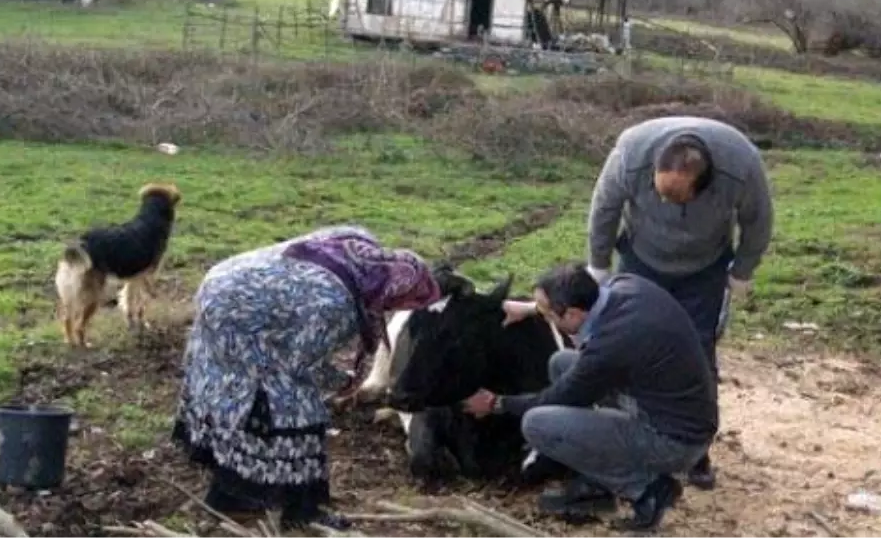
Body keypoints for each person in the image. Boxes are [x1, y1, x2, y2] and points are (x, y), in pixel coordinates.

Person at [171, 225, 441, 529]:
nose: (394, 308)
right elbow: (298, 363)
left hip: (223, 281)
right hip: (239, 313)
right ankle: (278, 507)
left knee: (234, 390)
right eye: (400, 301)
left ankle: (247, 495)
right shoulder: (335, 307)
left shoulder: (359, 244)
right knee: (292, 411)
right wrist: (342, 381)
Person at [586, 115, 773, 488]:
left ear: (705, 186)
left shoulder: (741, 165)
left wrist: (742, 270)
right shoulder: (630, 154)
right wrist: (598, 265)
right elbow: (605, 208)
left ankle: (695, 449)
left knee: (697, 355)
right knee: (624, 345)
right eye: (660, 193)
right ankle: (622, 437)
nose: (665, 203)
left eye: (677, 198)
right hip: (641, 259)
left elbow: (759, 220)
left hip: (703, 268)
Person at [466, 263, 718, 532]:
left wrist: (497, 403)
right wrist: (528, 310)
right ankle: (598, 484)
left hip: (674, 442)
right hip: (681, 410)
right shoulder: (626, 285)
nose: (545, 316)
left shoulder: (611, 345)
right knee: (561, 363)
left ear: (573, 313)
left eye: (547, 312)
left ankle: (646, 489)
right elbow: (576, 371)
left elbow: (559, 396)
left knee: (537, 424)